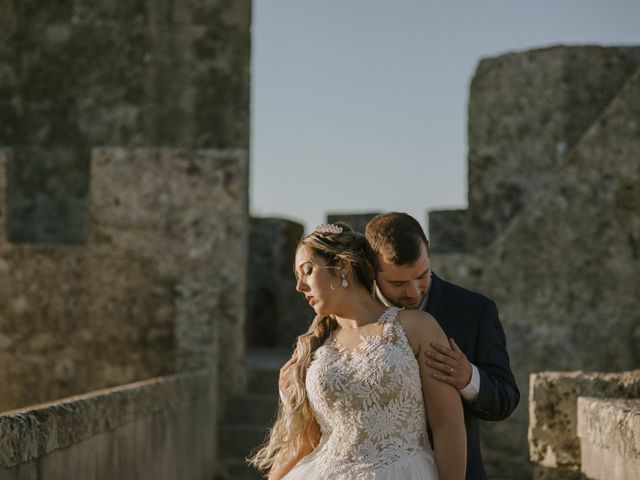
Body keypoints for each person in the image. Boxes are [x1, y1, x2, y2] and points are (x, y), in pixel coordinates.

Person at [250, 223, 466, 480]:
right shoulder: (314, 346)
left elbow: (447, 424)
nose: (299, 286)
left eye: (307, 271)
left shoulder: (417, 327)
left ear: (342, 266)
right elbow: (308, 438)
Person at [363, 212, 519, 480]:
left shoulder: (475, 310)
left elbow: (506, 399)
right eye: (398, 283)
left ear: (429, 251)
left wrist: (469, 378)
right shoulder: (353, 317)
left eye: (422, 275)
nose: (413, 292)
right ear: (369, 269)